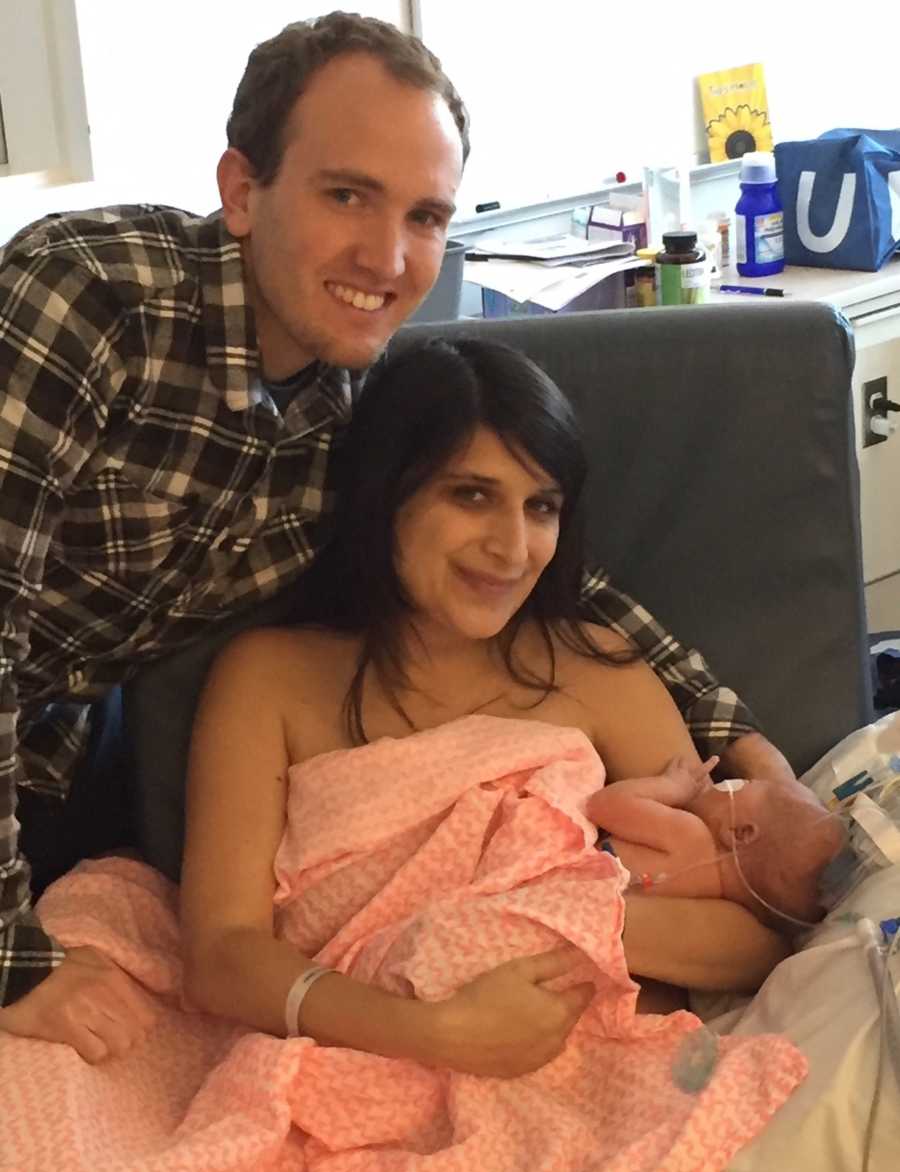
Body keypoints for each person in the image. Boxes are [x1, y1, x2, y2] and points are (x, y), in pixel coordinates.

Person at [0, 12, 790, 1054]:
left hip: (52, 748)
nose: (389, 256)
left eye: (426, 215)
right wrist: (14, 968)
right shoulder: (92, 300)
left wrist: (756, 770)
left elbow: (556, 582)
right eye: (346, 195)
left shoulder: (358, 405)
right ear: (242, 188)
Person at [179, 336, 790, 1077]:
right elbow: (221, 953)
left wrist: (558, 922)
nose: (512, 548)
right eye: (471, 495)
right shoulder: (268, 679)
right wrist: (433, 1032)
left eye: (541, 507)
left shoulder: (602, 673)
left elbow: (753, 936)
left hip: (591, 1066)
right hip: (350, 1056)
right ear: (385, 496)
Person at [588, 758, 847, 928]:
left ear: (739, 833)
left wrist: (671, 787)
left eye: (745, 784)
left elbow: (604, 805)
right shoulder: (718, 908)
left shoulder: (690, 835)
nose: (722, 783)